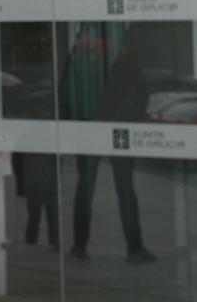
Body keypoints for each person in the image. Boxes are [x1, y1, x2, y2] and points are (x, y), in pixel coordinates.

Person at [61, 22, 154, 264]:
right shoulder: (122, 61)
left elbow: (67, 94)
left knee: (88, 187)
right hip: (113, 130)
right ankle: (133, 247)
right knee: (122, 189)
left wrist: (77, 123)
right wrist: (123, 122)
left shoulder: (80, 61)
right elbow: (140, 96)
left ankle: (81, 245)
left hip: (92, 129)